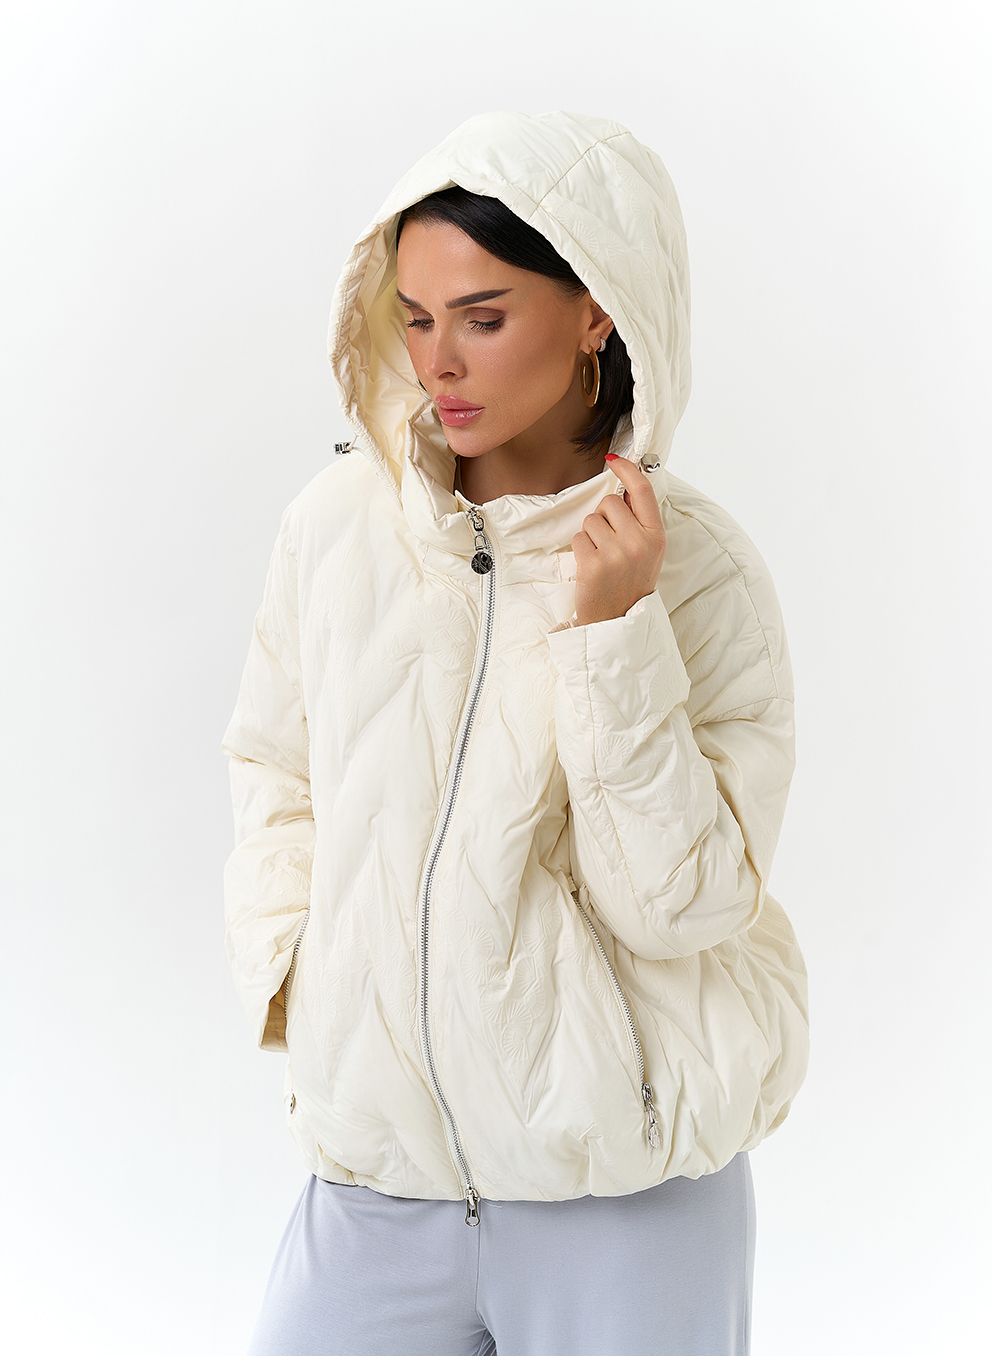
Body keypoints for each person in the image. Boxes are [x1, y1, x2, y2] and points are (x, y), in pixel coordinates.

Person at [222, 109, 809, 1356]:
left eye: (481, 318)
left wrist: (612, 634)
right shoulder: (334, 528)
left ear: (596, 311)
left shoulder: (696, 572)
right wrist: (306, 975)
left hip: (622, 1199)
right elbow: (274, 766)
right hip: (376, 1187)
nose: (438, 362)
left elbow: (683, 905)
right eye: (414, 318)